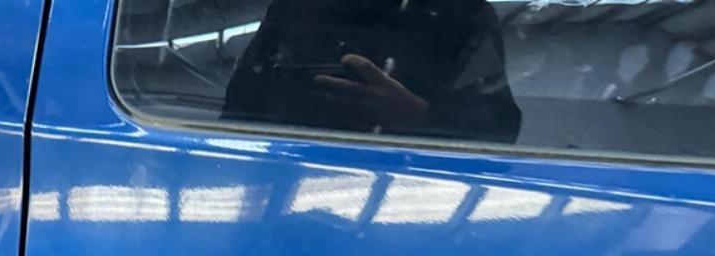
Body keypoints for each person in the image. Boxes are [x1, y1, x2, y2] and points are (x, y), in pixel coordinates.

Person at [223, 0, 522, 143]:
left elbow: (498, 129)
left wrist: (418, 117)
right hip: (289, 162)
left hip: (413, 187)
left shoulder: (464, 15)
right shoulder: (298, 6)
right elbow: (240, 105)